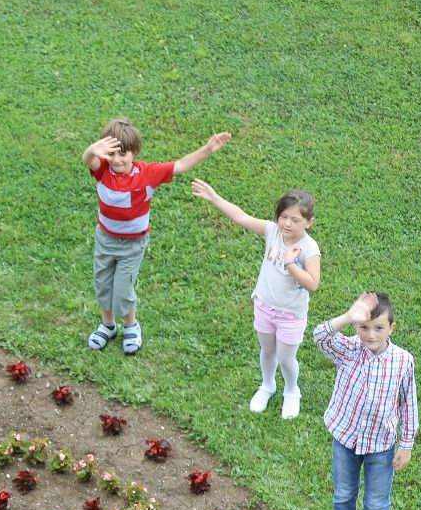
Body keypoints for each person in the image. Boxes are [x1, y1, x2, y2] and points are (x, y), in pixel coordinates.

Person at [82, 117, 231, 354]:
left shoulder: (148, 174)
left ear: (135, 152)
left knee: (122, 289)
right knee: (103, 284)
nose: (117, 160)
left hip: (132, 244)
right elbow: (88, 159)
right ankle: (107, 325)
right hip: (105, 240)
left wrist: (208, 149)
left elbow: (180, 165)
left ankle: (131, 326)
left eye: (124, 154)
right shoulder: (101, 170)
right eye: (111, 154)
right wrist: (93, 150)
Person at [311, 291, 418, 510]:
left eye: (379, 328)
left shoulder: (402, 362)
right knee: (344, 494)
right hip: (345, 440)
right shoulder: (349, 350)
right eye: (364, 327)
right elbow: (319, 336)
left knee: (376, 503)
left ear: (391, 328)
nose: (371, 334)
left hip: (381, 446)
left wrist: (406, 444)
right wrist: (347, 316)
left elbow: (408, 403)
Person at [191, 182, 322, 418]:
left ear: (309, 223)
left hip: (290, 314)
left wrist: (291, 264)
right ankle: (267, 385)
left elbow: (312, 284)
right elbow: (241, 217)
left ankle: (292, 391)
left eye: (295, 220)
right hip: (264, 306)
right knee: (267, 350)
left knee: (286, 357)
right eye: (284, 216)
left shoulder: (309, 249)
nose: (288, 224)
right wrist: (214, 198)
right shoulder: (273, 231)